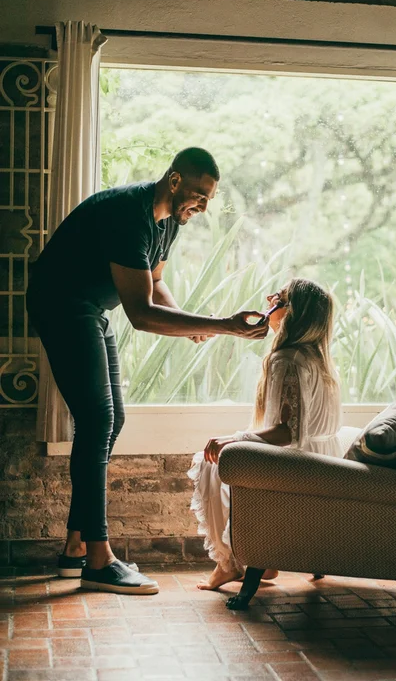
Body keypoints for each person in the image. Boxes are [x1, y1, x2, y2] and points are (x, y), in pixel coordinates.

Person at [26, 147, 269, 595]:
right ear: (174, 181)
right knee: (97, 420)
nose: (202, 206)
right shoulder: (129, 214)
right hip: (61, 304)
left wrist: (192, 323)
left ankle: (75, 548)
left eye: (209, 199)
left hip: (92, 309)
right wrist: (222, 325)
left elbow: (155, 283)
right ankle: (98, 560)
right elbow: (140, 313)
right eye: (198, 194)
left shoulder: (167, 223)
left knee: (111, 418)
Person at [188, 278, 343, 591]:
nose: (270, 297)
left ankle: (228, 564)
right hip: (325, 463)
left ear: (290, 314)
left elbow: (289, 432)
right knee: (228, 449)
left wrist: (234, 440)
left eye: (281, 297)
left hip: (300, 467)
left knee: (210, 461)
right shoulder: (317, 358)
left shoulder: (286, 359)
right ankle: (266, 562)